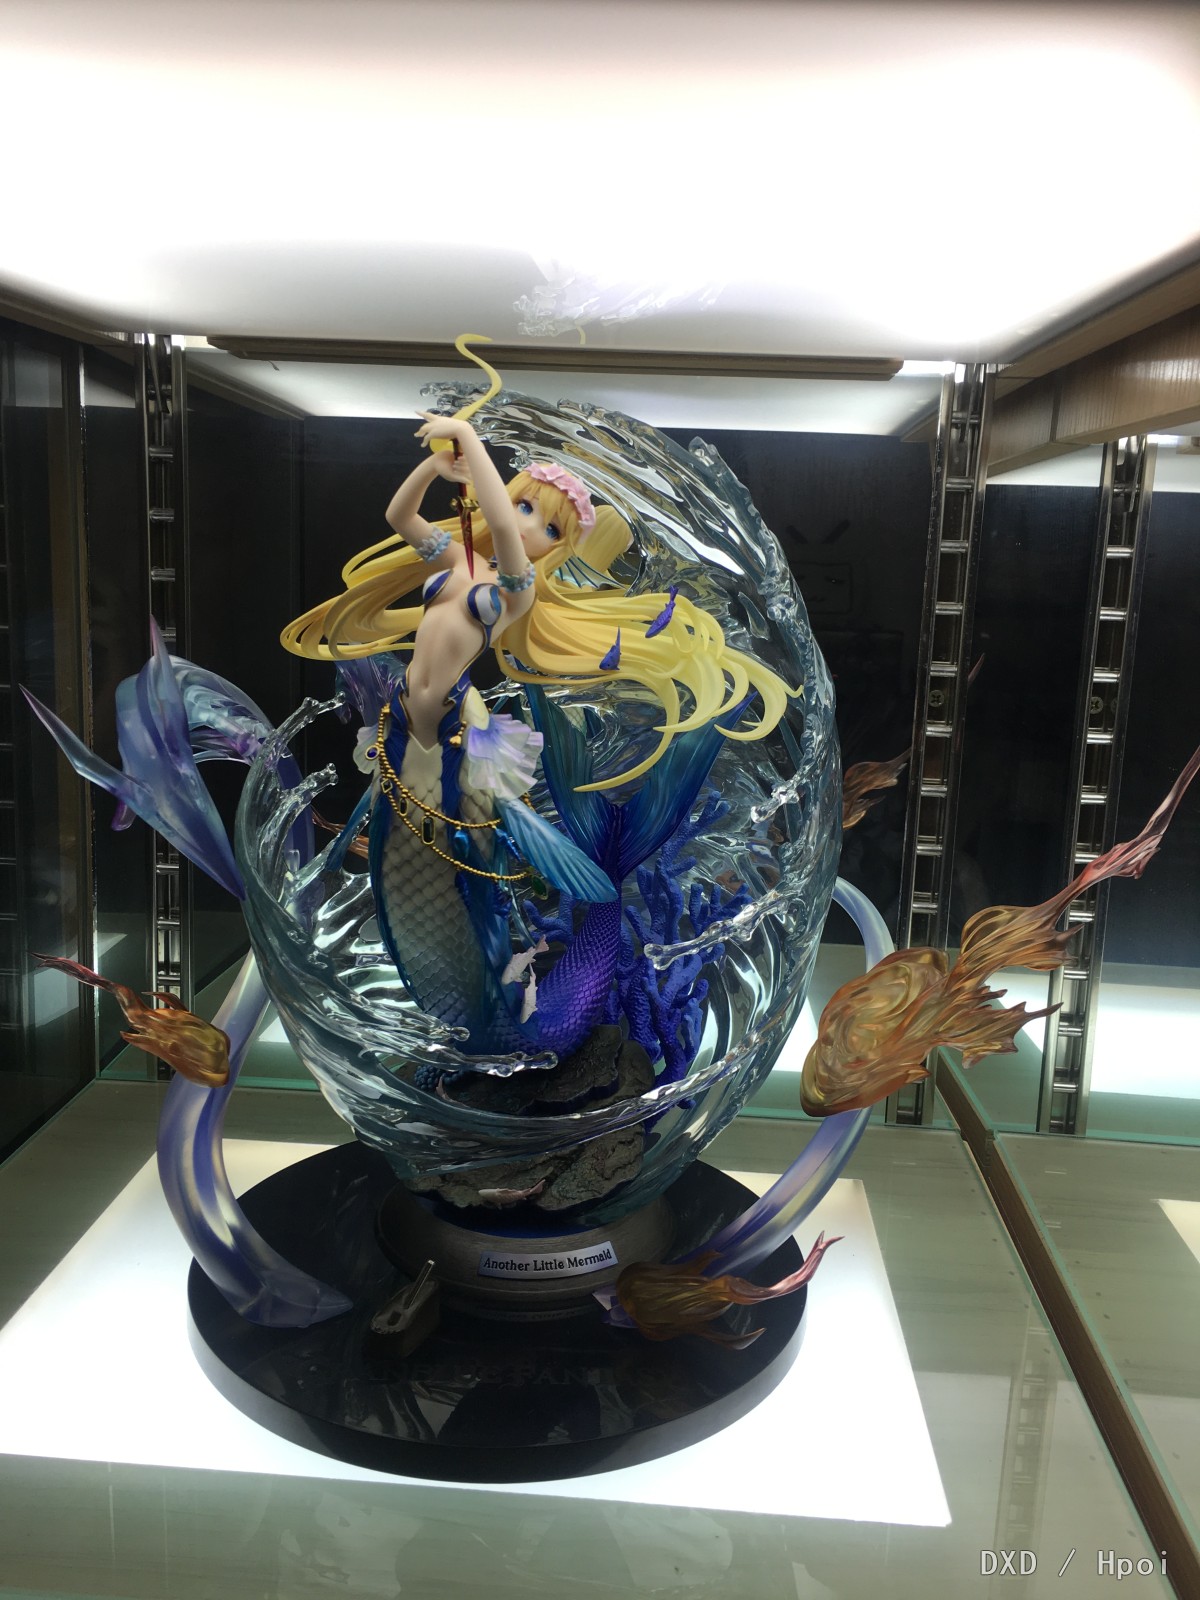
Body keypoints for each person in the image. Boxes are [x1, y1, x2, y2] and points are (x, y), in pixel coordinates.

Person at [281, 413, 795, 1058]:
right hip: (406, 732)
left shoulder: (514, 591)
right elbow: (399, 516)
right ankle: (475, 1007)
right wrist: (434, 468)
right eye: (526, 506)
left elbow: (501, 526)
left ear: (555, 550)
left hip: (454, 739)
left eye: (551, 529)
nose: (529, 527)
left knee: (465, 874)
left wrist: (472, 443)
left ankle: (531, 977)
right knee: (402, 867)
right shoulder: (456, 560)